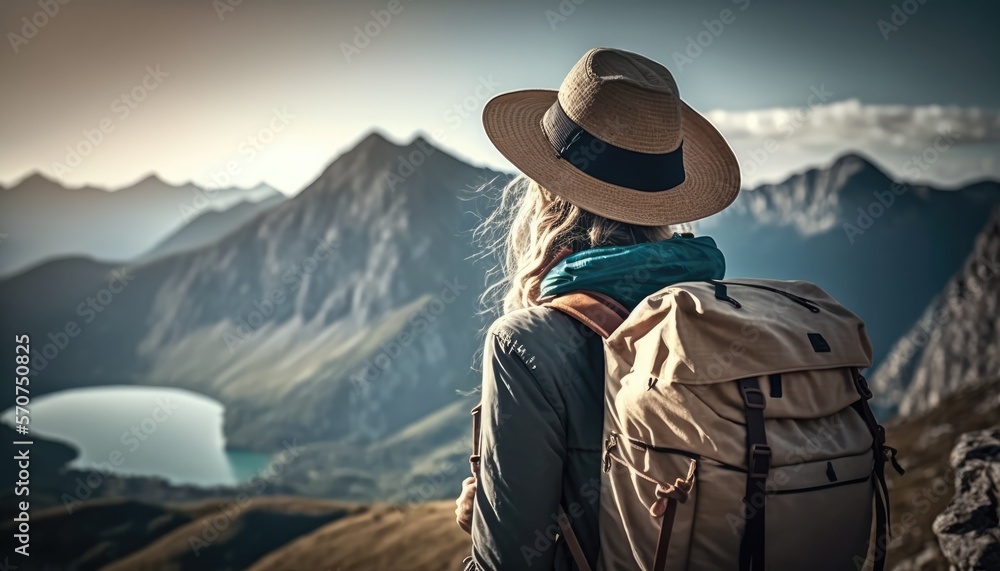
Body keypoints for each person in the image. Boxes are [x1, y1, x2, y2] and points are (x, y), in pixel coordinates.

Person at [455, 46, 741, 570]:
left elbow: (509, 563)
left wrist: (484, 523)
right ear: (668, 204)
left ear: (545, 196)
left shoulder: (526, 342)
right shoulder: (725, 315)